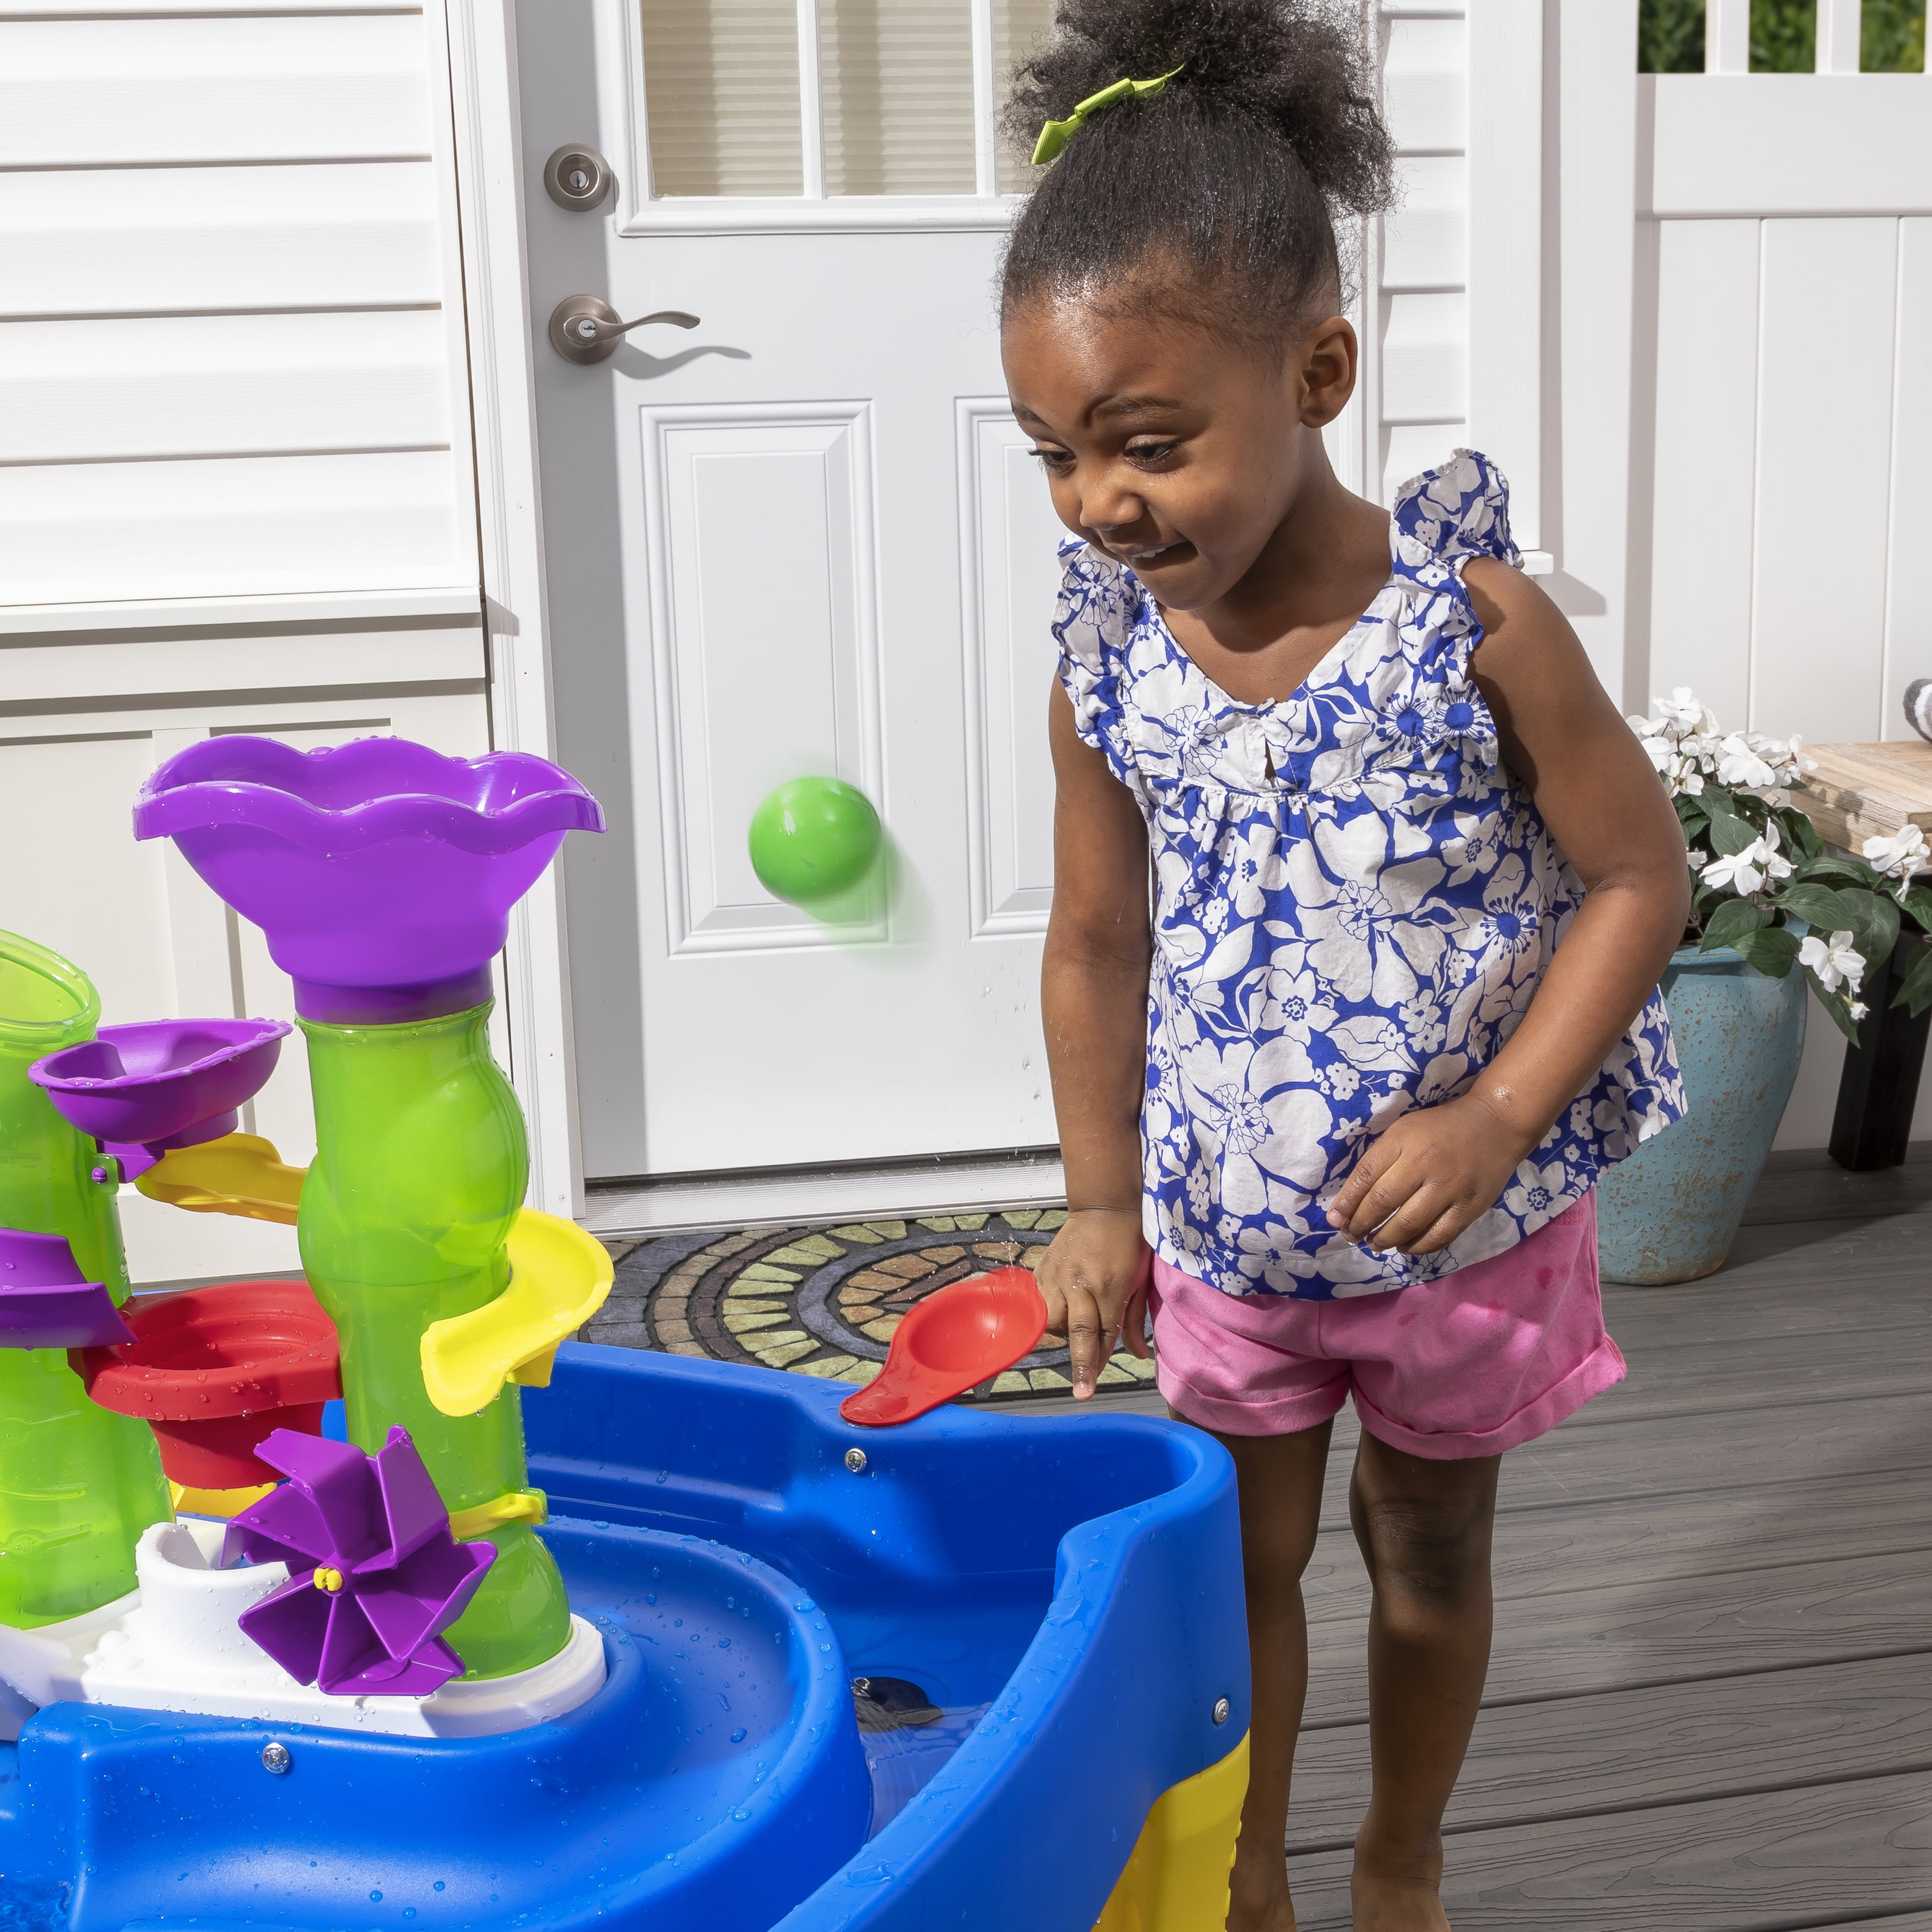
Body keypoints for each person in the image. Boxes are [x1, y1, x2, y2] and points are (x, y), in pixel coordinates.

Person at [1002, 4, 1690, 1928]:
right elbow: (1093, 936)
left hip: (1454, 1246)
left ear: (1319, 370)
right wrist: (1093, 1203)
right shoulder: (1106, 660)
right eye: (1054, 452)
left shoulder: (1466, 623)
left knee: (1428, 1563)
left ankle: (1400, 1857)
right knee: (1236, 1579)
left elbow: (1641, 877)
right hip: (1225, 1240)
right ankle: (1248, 1869)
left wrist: (1495, 1115)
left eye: (1148, 444)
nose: (1098, 501)